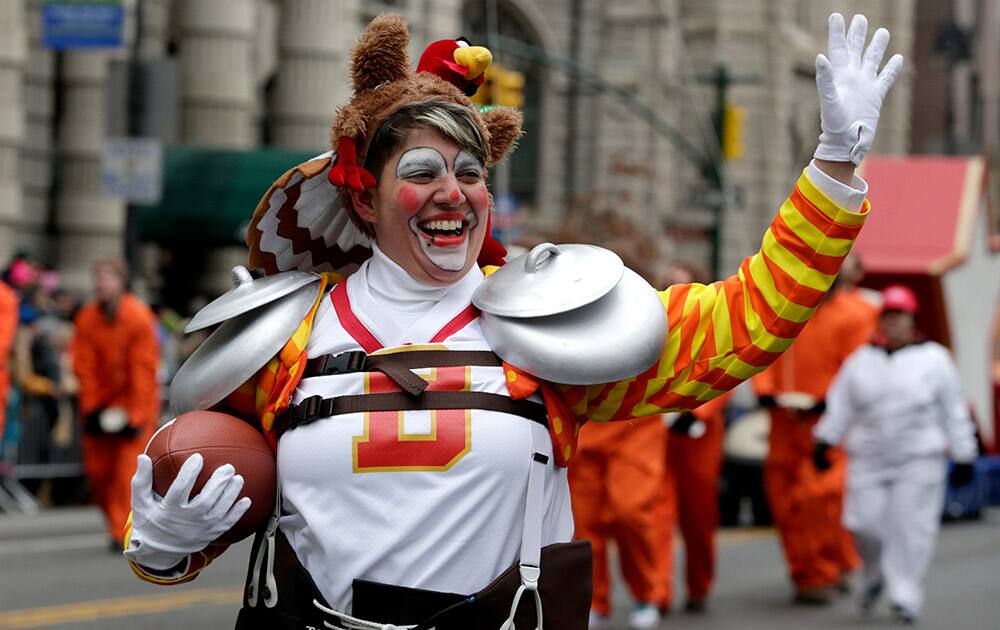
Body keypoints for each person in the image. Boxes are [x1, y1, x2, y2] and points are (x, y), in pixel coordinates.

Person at [122, 13, 902, 629]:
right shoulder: (289, 337)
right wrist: (162, 542)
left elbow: (747, 320)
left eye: (469, 172)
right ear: (362, 196)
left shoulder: (550, 324)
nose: (452, 193)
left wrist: (833, 167)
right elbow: (196, 518)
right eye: (421, 172)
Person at [813, 285, 977, 625]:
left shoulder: (934, 359)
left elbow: (953, 410)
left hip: (919, 459)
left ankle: (905, 595)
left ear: (912, 319)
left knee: (909, 528)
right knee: (864, 525)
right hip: (869, 459)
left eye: (899, 316)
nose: (892, 323)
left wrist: (964, 453)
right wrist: (824, 440)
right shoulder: (862, 360)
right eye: (887, 316)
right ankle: (875, 576)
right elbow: (841, 404)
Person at [752, 254, 878, 603]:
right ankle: (806, 571)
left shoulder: (857, 315)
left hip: (827, 426)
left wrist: (830, 402)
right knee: (784, 501)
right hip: (783, 423)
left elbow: (858, 369)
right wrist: (764, 392)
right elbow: (763, 350)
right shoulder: (787, 310)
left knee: (820, 499)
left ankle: (825, 568)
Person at [73, 259, 160, 547]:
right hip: (101, 407)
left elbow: (144, 370)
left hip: (134, 406)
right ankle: (117, 522)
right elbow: (84, 365)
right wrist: (93, 408)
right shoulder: (87, 318)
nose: (101, 284)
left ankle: (121, 532)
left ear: (121, 282)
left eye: (107, 277)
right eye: (98, 278)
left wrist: (135, 416)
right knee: (98, 474)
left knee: (126, 474)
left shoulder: (137, 316)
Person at [569, 417, 667, 629]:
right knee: (585, 521)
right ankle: (595, 601)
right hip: (587, 420)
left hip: (637, 419)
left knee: (630, 512)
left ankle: (646, 593)